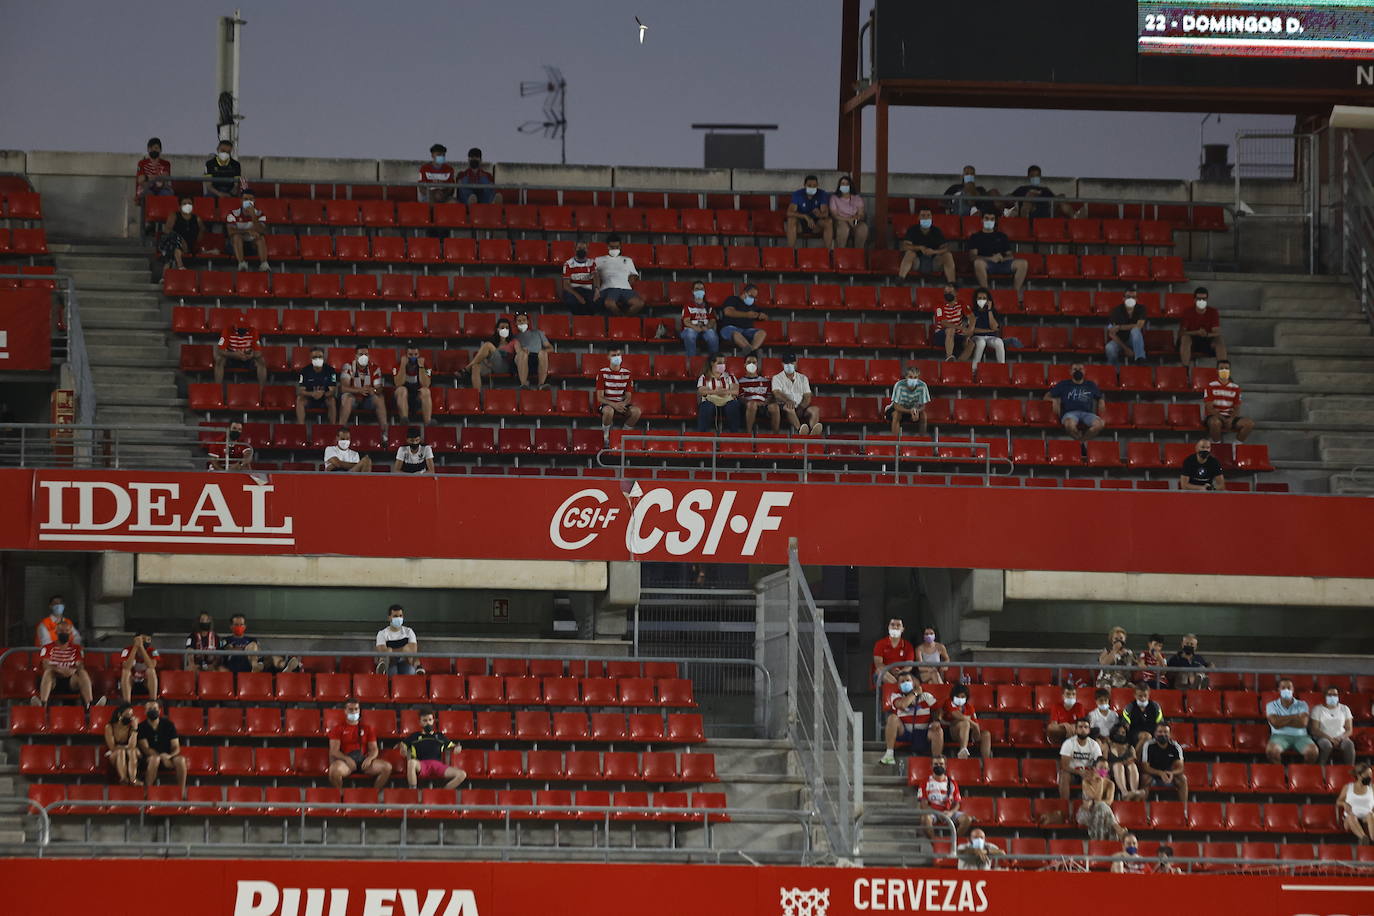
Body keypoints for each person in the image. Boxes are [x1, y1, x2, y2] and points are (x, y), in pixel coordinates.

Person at [327, 699, 393, 790]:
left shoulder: (367, 729)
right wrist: (346, 759)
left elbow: (374, 749)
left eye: (356, 709)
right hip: (346, 761)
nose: (354, 712)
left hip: (364, 761)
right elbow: (334, 750)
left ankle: (374, 794)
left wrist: (370, 758)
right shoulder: (338, 729)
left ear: (359, 710)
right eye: (350, 709)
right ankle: (341, 797)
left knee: (387, 767)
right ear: (345, 711)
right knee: (334, 771)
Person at [878, 671, 941, 765]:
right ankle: (889, 755)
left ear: (913, 682)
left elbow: (938, 710)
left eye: (908, 680)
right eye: (902, 682)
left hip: (923, 732)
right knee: (892, 718)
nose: (905, 683)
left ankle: (937, 763)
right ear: (898, 686)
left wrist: (937, 720)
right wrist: (915, 693)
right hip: (905, 732)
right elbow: (903, 705)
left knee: (938, 730)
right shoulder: (895, 696)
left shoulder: (926, 696)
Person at [36, 619, 98, 708]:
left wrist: (72, 671)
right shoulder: (47, 648)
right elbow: (46, 665)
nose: (64, 633)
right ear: (56, 632)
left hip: (70, 682)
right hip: (54, 681)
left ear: (70, 633)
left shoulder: (77, 648)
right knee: (48, 672)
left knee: (83, 672)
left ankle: (89, 704)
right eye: (61, 631)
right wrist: (59, 670)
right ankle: (43, 704)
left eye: (67, 631)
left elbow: (79, 665)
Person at [1045, 363, 1105, 451]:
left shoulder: (1090, 385)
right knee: (1069, 425)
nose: (1078, 371)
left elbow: (1100, 397)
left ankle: (1081, 441)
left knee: (1100, 424)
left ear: (1084, 371)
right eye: (1075, 369)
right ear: (1070, 372)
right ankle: (1082, 444)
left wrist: (1101, 401)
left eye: (1080, 369)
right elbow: (1047, 396)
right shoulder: (1064, 384)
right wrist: (1053, 400)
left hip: (1087, 413)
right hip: (1070, 413)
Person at [401, 709, 467, 790]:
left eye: (430, 720)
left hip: (438, 765)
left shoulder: (440, 736)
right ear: (420, 722)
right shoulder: (414, 736)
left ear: (433, 721)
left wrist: (457, 748)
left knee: (462, 774)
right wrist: (403, 748)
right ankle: (413, 792)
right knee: (411, 762)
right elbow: (402, 745)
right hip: (422, 764)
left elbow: (453, 746)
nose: (427, 723)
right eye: (424, 720)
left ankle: (442, 792)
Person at [967, 213, 1028, 297]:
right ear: (982, 220)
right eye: (987, 218)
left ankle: (1014, 294)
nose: (989, 221)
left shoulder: (1002, 236)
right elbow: (972, 256)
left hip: (1002, 263)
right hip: (986, 264)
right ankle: (985, 293)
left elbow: (1010, 256)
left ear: (995, 221)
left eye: (992, 219)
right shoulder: (975, 237)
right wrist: (990, 259)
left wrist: (1002, 258)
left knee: (1023, 263)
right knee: (978, 263)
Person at [137, 700, 188, 798]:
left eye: (155, 709)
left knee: (181, 760)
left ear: (159, 711)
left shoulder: (168, 725)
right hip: (149, 758)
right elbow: (146, 748)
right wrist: (161, 757)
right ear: (145, 711)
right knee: (154, 759)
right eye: (150, 709)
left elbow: (176, 747)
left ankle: (181, 792)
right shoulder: (141, 727)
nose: (153, 711)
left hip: (168, 757)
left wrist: (169, 756)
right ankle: (147, 792)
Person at [916, 755, 973, 840]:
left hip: (948, 812)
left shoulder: (952, 783)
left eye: (941, 764)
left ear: (945, 766)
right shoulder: (925, 782)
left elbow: (957, 803)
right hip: (933, 812)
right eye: (936, 764)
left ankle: (953, 842)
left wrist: (951, 812)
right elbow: (923, 804)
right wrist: (937, 813)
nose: (939, 766)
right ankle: (935, 843)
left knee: (967, 819)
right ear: (931, 766)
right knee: (925, 819)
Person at [222, 614, 296, 675]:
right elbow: (227, 650)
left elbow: (259, 651)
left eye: (241, 625)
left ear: (245, 626)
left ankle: (284, 667)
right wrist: (247, 649)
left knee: (271, 657)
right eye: (236, 625)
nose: (239, 627)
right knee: (253, 646)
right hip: (236, 663)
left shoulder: (251, 639)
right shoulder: (227, 640)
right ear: (231, 626)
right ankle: (256, 666)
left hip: (251, 662)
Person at [1266, 677, 1318, 764]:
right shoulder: (1271, 705)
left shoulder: (1302, 704)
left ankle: (1301, 775)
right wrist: (1295, 717)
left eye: (1289, 688)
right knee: (1272, 752)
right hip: (1279, 736)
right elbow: (1275, 723)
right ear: (1279, 690)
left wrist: (1281, 719)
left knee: (1313, 752)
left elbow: (1303, 723)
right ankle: (1280, 774)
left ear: (1293, 689)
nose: (1286, 690)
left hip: (1301, 737)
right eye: (1283, 688)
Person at [595, 346, 642, 442]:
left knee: (637, 412)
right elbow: (600, 397)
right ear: (608, 357)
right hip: (607, 405)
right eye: (613, 355)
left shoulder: (627, 374)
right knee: (609, 411)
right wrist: (614, 405)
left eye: (618, 355)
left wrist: (623, 404)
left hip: (621, 404)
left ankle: (623, 435)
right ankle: (606, 437)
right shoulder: (602, 373)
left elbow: (628, 396)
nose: (617, 357)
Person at [339, 346, 389, 435]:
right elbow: (343, 388)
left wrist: (373, 390)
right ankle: (340, 431)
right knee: (347, 398)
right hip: (353, 398)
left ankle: (384, 433)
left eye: (366, 354)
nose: (364, 357)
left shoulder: (374, 368)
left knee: (379, 398)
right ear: (355, 356)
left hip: (368, 400)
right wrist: (359, 390)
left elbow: (379, 388)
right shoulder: (348, 366)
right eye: (361, 354)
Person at [898, 207, 955, 282]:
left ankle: (952, 283)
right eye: (923, 215)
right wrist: (919, 248)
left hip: (934, 261)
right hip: (917, 262)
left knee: (948, 255)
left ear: (931, 217)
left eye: (928, 215)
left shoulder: (936, 231)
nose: (926, 218)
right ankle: (900, 279)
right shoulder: (912, 230)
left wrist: (934, 252)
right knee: (909, 253)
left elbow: (946, 248)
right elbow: (904, 246)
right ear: (918, 218)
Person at [771, 352, 821, 436]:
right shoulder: (777, 378)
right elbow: (777, 393)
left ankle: (813, 434)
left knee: (815, 410)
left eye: (792, 362)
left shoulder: (803, 378)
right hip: (784, 407)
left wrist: (801, 407)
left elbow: (807, 396)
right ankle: (800, 431)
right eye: (787, 363)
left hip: (800, 406)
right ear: (782, 364)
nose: (789, 365)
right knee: (789, 408)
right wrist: (788, 400)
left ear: (796, 362)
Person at [1204, 360, 1254, 443]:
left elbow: (1237, 408)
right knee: (1215, 423)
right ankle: (1217, 445)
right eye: (1221, 368)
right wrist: (1223, 419)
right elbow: (1209, 408)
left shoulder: (1236, 388)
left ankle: (1236, 446)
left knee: (1249, 424)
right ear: (1217, 370)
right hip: (1214, 416)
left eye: (1226, 368)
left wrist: (1231, 419)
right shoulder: (1210, 386)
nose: (1224, 370)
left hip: (1230, 416)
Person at [594, 236, 645, 315]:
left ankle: (624, 319)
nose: (614, 249)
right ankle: (621, 318)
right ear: (607, 247)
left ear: (620, 246)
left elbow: (634, 275)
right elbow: (595, 275)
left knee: (639, 304)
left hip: (625, 289)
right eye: (612, 247)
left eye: (617, 247)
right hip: (609, 288)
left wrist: (626, 283)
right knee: (609, 303)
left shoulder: (628, 260)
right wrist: (597, 289)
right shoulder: (598, 260)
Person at [1077, 759, 1126, 841]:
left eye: (1106, 768)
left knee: (1102, 808)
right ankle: (1117, 828)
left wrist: (1097, 802)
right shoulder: (1086, 782)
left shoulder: (1111, 784)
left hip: (1102, 813)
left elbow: (1109, 802)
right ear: (1094, 768)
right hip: (1086, 813)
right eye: (1101, 768)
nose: (1104, 770)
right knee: (1102, 807)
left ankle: (1100, 844)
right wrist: (1100, 781)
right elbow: (1097, 797)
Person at [213, 315, 267, 390]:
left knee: (261, 361)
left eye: (244, 328)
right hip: (231, 357)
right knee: (219, 360)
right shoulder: (227, 330)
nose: (242, 330)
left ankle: (261, 391)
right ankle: (217, 389)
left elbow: (258, 352)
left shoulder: (253, 331)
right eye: (240, 328)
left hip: (247, 357)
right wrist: (233, 355)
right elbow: (220, 350)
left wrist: (251, 355)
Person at [941, 683, 993, 759]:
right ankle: (963, 751)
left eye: (962, 697)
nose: (960, 698)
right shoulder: (948, 702)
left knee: (986, 734)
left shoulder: (969, 708)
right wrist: (972, 723)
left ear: (966, 697)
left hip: (967, 733)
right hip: (950, 732)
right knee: (965, 723)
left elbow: (976, 733)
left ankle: (986, 761)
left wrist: (975, 728)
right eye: (957, 696)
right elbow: (957, 715)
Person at [1178, 286, 1227, 365]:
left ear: (1207, 300)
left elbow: (1217, 332)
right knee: (1185, 339)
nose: (1201, 301)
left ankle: (1223, 371)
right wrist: (1196, 332)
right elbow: (1181, 333)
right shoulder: (1188, 312)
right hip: (1192, 341)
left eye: (1204, 299)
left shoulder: (1213, 312)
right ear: (1194, 300)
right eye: (1199, 299)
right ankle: (1185, 370)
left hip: (1206, 340)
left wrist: (1207, 334)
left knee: (1219, 340)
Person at [1141, 723, 1189, 803]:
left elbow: (1180, 768)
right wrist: (1160, 773)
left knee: (1183, 779)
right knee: (1145, 778)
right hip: (1153, 773)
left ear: (1169, 734)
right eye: (1160, 732)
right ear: (1155, 733)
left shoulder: (1176, 746)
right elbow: (1145, 767)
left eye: (1165, 732)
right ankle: (1142, 808)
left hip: (1169, 773)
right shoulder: (1148, 745)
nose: (1163, 734)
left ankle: (1184, 809)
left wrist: (1171, 773)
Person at [466, 317, 518, 390]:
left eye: (507, 328)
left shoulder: (513, 342)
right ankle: (477, 394)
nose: (505, 329)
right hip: (491, 366)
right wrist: (487, 363)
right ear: (497, 329)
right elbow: (483, 357)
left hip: (505, 366)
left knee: (487, 345)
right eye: (502, 327)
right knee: (475, 367)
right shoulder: (493, 342)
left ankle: (467, 368)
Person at [1310, 685, 1356, 766]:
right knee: (1326, 745)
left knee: (1349, 745)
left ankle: (1350, 771)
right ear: (1325, 696)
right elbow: (1314, 729)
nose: (1332, 697)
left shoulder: (1345, 709)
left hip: (1341, 737)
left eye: (1335, 695)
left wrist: (1340, 738)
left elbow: (1349, 730)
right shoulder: (1317, 709)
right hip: (1323, 737)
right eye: (1329, 694)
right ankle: (1321, 769)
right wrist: (1330, 739)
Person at [1059, 718, 1103, 801]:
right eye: (1080, 727)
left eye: (1086, 727)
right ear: (1076, 730)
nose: (1083, 729)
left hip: (1088, 772)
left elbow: (1100, 763)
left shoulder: (1094, 745)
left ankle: (1095, 804)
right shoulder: (1068, 743)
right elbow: (1064, 766)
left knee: (1101, 775)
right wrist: (1079, 772)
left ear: (1089, 730)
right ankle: (1064, 805)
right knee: (1064, 775)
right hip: (1072, 772)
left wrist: (1092, 772)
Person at [225, 190, 270, 272]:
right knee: (236, 237)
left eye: (251, 199)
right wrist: (247, 231)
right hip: (235, 246)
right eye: (245, 199)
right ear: (241, 200)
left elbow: (262, 230)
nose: (248, 201)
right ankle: (242, 264)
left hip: (252, 245)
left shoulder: (259, 214)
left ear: (254, 201)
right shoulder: (233, 214)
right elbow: (230, 231)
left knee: (261, 238)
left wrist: (253, 215)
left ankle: (264, 264)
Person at [1007, 165, 1074, 219]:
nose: (1035, 178)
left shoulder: (1045, 190)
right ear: (1028, 177)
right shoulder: (1022, 189)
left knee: (1061, 197)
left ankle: (1075, 220)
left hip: (1045, 214)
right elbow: (1010, 199)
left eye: (1037, 176)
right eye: (1032, 176)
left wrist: (1060, 197)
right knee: (1030, 196)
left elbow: (1054, 201)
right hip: (1027, 215)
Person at [959, 288, 1004, 369]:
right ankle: (974, 369)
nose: (981, 300)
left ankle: (1002, 368)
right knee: (981, 342)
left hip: (991, 337)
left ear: (988, 300)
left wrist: (989, 310)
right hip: (977, 337)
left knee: (999, 342)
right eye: (979, 298)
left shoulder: (993, 312)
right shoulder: (972, 312)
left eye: (984, 298)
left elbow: (995, 327)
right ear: (976, 299)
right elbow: (972, 329)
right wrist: (989, 330)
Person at [697, 354, 742, 433]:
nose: (722, 365)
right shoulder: (704, 377)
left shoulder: (730, 377)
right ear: (712, 363)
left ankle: (735, 434)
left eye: (723, 363)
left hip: (727, 402)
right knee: (706, 407)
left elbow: (736, 391)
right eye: (720, 363)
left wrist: (723, 392)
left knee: (733, 406)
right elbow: (702, 391)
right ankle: (702, 435)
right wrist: (715, 392)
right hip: (710, 402)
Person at [680, 281, 719, 370]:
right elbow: (686, 321)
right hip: (690, 329)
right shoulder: (688, 305)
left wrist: (707, 327)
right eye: (697, 289)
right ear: (692, 291)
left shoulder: (709, 306)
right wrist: (696, 328)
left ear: (704, 291)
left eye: (701, 289)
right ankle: (692, 363)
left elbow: (713, 320)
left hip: (705, 329)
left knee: (712, 334)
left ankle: (714, 362)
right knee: (690, 334)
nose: (699, 291)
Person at [718, 284, 768, 354]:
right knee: (736, 334)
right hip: (730, 328)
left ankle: (751, 350)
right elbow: (728, 312)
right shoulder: (732, 299)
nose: (752, 299)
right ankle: (753, 353)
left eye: (754, 297)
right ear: (744, 293)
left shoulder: (753, 306)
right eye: (751, 296)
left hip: (747, 330)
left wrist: (761, 315)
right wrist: (747, 315)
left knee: (762, 333)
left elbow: (764, 316)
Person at [784, 175, 833, 248]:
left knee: (828, 221)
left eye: (814, 185)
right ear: (804, 185)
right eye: (809, 185)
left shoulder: (822, 194)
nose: (812, 187)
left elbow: (826, 213)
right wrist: (805, 216)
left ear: (817, 186)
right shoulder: (798, 194)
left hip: (815, 225)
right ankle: (791, 252)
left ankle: (827, 252)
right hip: (801, 223)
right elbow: (789, 212)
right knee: (791, 220)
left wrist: (819, 214)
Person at [295, 347, 339, 424]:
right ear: (310, 358)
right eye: (315, 357)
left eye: (320, 357)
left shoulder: (330, 370)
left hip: (325, 397)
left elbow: (333, 390)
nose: (317, 359)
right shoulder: (304, 371)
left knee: (332, 400)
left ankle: (333, 427)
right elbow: (301, 390)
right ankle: (301, 427)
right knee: (299, 400)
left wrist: (322, 394)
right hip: (310, 397)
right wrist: (312, 394)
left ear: (323, 358)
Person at [1105, 288, 1148, 366]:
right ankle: (1115, 371)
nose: (1131, 299)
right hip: (1120, 340)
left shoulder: (1141, 309)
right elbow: (1111, 333)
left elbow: (1139, 326)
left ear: (1137, 299)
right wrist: (1126, 349)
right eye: (1128, 297)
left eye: (1133, 297)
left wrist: (1120, 327)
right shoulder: (1116, 311)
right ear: (1123, 298)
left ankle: (1140, 359)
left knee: (1135, 331)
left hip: (1134, 341)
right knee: (1109, 348)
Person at [158, 196, 202, 272]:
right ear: (180, 206)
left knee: (172, 246)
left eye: (189, 203)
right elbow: (167, 230)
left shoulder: (197, 218)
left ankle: (165, 275)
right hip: (174, 242)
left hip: (188, 246)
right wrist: (181, 239)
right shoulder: (174, 216)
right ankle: (180, 265)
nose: (187, 205)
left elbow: (201, 231)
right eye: (184, 203)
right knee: (173, 240)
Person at [886, 362, 931, 436]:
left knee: (924, 415)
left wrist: (916, 411)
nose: (913, 379)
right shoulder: (899, 385)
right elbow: (896, 406)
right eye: (910, 377)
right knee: (897, 414)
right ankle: (895, 443)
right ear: (906, 377)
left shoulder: (923, 386)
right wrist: (910, 411)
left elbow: (923, 406)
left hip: (913, 409)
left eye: (915, 377)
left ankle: (922, 441)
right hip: (898, 409)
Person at [1121, 683, 1165, 758]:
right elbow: (1125, 725)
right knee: (1146, 736)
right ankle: (1134, 759)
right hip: (1134, 733)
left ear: (1149, 695)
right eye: (1140, 696)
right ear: (1135, 695)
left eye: (1145, 696)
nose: (1143, 698)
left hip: (1153, 732)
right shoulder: (1130, 707)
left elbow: (1160, 724)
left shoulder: (1155, 706)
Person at [392, 344, 433, 424]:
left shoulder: (426, 366)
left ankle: (428, 422)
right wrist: (403, 365)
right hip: (401, 398)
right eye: (410, 355)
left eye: (416, 355)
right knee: (402, 389)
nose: (413, 357)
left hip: (417, 398)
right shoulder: (397, 365)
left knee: (426, 391)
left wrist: (421, 367)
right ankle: (404, 420)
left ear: (419, 355)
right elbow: (398, 383)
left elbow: (426, 384)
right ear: (406, 355)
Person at [737, 356, 778, 434]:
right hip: (748, 406)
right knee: (752, 404)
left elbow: (769, 396)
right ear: (744, 365)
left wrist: (764, 403)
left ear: (757, 364)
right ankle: (748, 433)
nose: (751, 364)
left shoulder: (766, 381)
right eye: (749, 362)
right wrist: (753, 403)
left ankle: (776, 435)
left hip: (764, 405)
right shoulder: (740, 381)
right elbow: (741, 398)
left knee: (774, 406)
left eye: (754, 362)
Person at [1105, 724, 1145, 801]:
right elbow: (1104, 762)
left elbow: (1134, 759)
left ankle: (1134, 791)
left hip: (1127, 771)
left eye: (1123, 732)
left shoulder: (1130, 747)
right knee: (1118, 765)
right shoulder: (1108, 746)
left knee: (1132, 765)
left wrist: (1130, 760)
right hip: (1113, 770)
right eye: (1118, 732)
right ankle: (1124, 792)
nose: (1121, 734)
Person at [512, 313, 553, 389]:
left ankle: (541, 384)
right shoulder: (514, 337)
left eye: (524, 320)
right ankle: (523, 384)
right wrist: (521, 350)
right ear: (515, 323)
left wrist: (542, 351)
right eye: (519, 321)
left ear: (528, 321)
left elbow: (550, 348)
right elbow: (515, 349)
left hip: (536, 358)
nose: (522, 322)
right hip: (521, 359)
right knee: (522, 354)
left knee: (543, 353)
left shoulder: (538, 333)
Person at [1337, 762, 1374, 845]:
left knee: (1371, 815)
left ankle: (1372, 839)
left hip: (1366, 818)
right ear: (1359, 775)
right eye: (1367, 775)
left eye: (1370, 774)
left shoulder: (1372, 787)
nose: (1369, 777)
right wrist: (1344, 804)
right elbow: (1338, 801)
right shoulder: (1348, 787)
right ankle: (1364, 838)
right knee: (1351, 817)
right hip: (1350, 818)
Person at [104, 702, 140, 786]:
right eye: (127, 714)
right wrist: (125, 747)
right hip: (114, 754)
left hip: (129, 754)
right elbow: (112, 747)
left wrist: (135, 729)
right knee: (121, 752)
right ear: (119, 715)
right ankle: (123, 779)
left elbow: (132, 746)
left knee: (131, 752)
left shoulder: (131, 728)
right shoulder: (109, 727)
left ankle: (132, 779)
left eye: (131, 715)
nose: (130, 717)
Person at [872, 618, 916, 686]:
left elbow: (909, 665)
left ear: (903, 629)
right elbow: (878, 664)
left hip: (902, 673)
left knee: (916, 682)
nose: (895, 627)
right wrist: (890, 669)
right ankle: (899, 687)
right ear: (888, 627)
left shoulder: (908, 646)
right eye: (892, 625)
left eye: (898, 625)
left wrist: (900, 673)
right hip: (885, 673)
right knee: (880, 671)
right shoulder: (880, 644)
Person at [118, 632, 159, 705]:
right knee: (126, 672)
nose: (145, 641)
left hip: (145, 683)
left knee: (151, 671)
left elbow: (151, 665)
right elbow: (127, 666)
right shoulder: (126, 650)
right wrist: (135, 648)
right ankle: (126, 704)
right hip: (131, 683)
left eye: (148, 639)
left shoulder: (153, 651)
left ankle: (153, 701)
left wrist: (142, 649)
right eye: (143, 639)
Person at [376, 604, 418, 675]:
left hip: (406, 661)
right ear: (389, 618)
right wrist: (404, 650)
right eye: (395, 616)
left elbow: (413, 651)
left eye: (400, 616)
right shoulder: (382, 633)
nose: (398, 618)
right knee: (392, 670)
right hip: (390, 663)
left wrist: (391, 651)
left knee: (411, 671)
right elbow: (382, 653)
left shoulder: (409, 631)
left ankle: (418, 668)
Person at [828, 175, 868, 249]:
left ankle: (858, 253)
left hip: (854, 220)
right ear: (839, 186)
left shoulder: (857, 198)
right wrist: (848, 220)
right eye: (843, 184)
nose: (845, 186)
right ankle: (840, 252)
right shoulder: (834, 198)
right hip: (840, 220)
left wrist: (856, 218)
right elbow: (834, 215)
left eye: (847, 184)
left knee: (863, 228)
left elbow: (861, 214)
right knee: (843, 229)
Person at [932, 283, 968, 362]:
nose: (947, 295)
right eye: (945, 293)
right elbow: (944, 323)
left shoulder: (961, 303)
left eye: (950, 293)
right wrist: (961, 328)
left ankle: (964, 364)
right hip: (941, 335)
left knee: (971, 342)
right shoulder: (939, 305)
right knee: (950, 329)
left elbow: (971, 317)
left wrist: (970, 329)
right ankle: (949, 357)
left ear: (956, 293)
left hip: (957, 335)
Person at [560, 242, 599, 314]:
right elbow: (566, 285)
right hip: (573, 290)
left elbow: (596, 277)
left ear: (587, 250)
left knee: (595, 302)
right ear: (574, 249)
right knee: (573, 302)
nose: (582, 250)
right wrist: (578, 296)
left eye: (584, 248)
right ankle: (578, 320)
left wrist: (597, 289)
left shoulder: (591, 263)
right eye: (579, 248)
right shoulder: (568, 264)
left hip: (588, 290)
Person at [135, 137, 174, 201]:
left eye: (156, 148)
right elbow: (140, 179)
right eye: (151, 148)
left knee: (167, 193)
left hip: (162, 189)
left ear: (160, 150)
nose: (153, 150)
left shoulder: (165, 163)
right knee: (148, 194)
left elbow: (165, 177)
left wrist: (147, 177)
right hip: (146, 189)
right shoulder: (142, 163)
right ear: (148, 149)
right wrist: (157, 178)